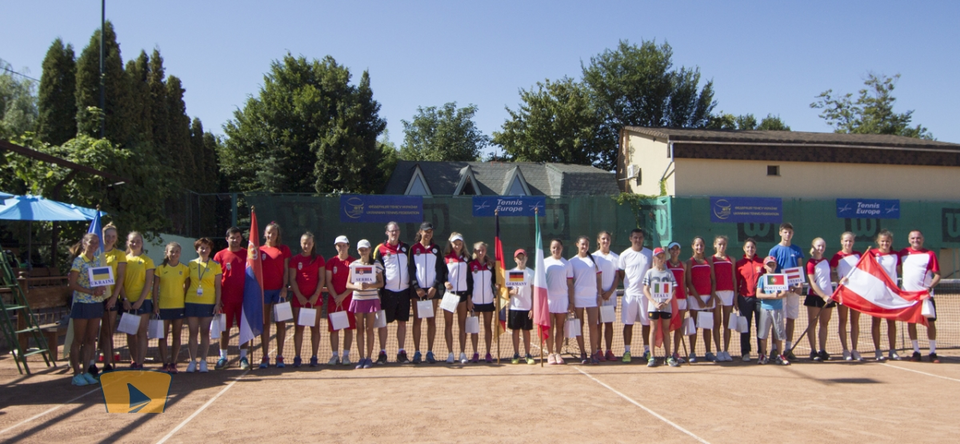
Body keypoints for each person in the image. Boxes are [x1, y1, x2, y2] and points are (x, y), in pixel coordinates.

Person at [67, 234, 105, 386]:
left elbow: (101, 281)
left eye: (97, 242)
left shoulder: (97, 261)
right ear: (84, 243)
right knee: (78, 340)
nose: (94, 245)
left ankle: (86, 372)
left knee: (90, 340)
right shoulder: (78, 261)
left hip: (96, 304)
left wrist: (101, 289)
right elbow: (72, 284)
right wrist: (90, 292)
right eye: (91, 242)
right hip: (82, 304)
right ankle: (76, 374)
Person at [373, 221, 412, 364]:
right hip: (387, 292)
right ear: (387, 232)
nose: (394, 233)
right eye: (391, 231)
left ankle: (401, 352)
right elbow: (376, 270)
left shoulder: (406, 248)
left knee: (402, 323)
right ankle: (382, 352)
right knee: (383, 323)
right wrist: (378, 291)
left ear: (399, 232)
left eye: (396, 230)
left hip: (404, 292)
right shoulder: (380, 249)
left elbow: (411, 267)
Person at [900, 229, 940, 363]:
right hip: (909, 297)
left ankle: (932, 352)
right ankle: (916, 351)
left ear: (922, 239)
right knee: (911, 324)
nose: (915, 240)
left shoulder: (930, 254)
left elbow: (938, 274)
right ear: (909, 240)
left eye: (918, 238)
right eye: (913, 238)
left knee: (930, 324)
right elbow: (898, 269)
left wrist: (930, 287)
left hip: (925, 296)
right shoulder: (903, 253)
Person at [184, 238, 222, 373]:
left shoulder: (216, 265)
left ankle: (204, 361)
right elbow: (186, 284)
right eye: (201, 248)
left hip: (208, 302)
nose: (204, 250)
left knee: (205, 332)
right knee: (192, 332)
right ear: (197, 249)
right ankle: (192, 361)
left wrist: (217, 303)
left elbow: (218, 286)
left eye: (207, 248)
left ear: (210, 250)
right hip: (191, 301)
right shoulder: (191, 264)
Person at [409, 222, 445, 364]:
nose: (428, 234)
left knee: (431, 320)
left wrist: (435, 286)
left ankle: (430, 352)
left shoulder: (436, 249)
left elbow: (440, 269)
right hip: (417, 292)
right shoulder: (413, 249)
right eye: (426, 231)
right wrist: (416, 287)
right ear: (420, 232)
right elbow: (411, 270)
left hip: (432, 291)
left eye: (430, 231)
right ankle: (417, 352)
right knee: (417, 320)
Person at [214, 227, 249, 370]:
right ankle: (223, 357)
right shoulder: (219, 255)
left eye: (238, 237)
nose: (235, 240)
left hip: (244, 299)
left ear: (241, 238)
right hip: (225, 299)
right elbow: (215, 279)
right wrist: (218, 299)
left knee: (244, 329)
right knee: (225, 329)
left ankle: (243, 357)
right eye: (232, 237)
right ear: (227, 239)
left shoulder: (247, 254)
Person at [767, 222, 804, 361]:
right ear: (780, 233)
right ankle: (774, 349)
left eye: (790, 232)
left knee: (791, 318)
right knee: (777, 319)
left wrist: (800, 285)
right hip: (780, 291)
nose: (787, 234)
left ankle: (788, 349)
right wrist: (780, 287)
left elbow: (799, 269)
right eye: (785, 232)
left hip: (794, 290)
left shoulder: (797, 250)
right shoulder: (774, 250)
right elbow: (771, 271)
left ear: (792, 234)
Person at [289, 232, 325, 367]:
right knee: (299, 328)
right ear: (301, 243)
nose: (306, 246)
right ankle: (297, 357)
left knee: (315, 328)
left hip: (315, 300)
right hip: (299, 300)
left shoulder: (319, 259)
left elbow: (322, 278)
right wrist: (299, 296)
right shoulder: (295, 260)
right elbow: (292, 279)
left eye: (309, 243)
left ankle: (314, 357)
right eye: (304, 243)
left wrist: (315, 295)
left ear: (313, 244)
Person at [348, 239, 384, 369]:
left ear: (370, 249)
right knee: (359, 329)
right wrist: (357, 286)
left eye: (365, 249)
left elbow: (381, 283)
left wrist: (370, 285)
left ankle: (369, 357)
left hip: (372, 299)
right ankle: (361, 357)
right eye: (361, 250)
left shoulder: (376, 264)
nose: (363, 252)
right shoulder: (353, 265)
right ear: (358, 251)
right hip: (358, 299)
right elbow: (348, 284)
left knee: (369, 329)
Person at [259, 222, 291, 369]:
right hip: (263, 292)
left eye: (274, 233)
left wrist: (284, 287)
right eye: (269, 232)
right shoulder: (259, 250)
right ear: (264, 234)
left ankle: (279, 356)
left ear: (278, 235)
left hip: (279, 291)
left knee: (281, 323)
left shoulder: (284, 249)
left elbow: (286, 270)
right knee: (265, 323)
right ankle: (265, 356)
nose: (271, 235)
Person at [94, 222, 125, 375]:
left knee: (107, 333)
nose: (110, 239)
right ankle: (90, 364)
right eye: (107, 236)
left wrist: (114, 297)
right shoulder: (95, 253)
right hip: (94, 297)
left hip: (110, 298)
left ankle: (107, 364)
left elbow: (120, 277)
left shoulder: (119, 254)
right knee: (91, 333)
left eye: (113, 236)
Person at [153, 242, 189, 373]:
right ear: (167, 253)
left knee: (177, 336)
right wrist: (155, 305)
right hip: (163, 307)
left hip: (179, 307)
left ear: (180, 253)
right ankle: (164, 363)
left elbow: (187, 287)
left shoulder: (185, 269)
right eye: (171, 251)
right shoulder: (160, 269)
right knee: (162, 336)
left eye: (177, 251)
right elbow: (155, 288)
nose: (174, 254)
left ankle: (173, 363)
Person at [618, 229, 653, 363]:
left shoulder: (649, 254)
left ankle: (647, 351)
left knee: (646, 324)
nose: (638, 240)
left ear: (643, 239)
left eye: (640, 237)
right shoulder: (624, 255)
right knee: (628, 324)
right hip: (630, 295)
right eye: (635, 237)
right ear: (630, 238)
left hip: (645, 296)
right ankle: (627, 351)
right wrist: (629, 285)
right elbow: (621, 273)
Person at [122, 231, 155, 369]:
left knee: (141, 332)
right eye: (132, 241)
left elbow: (148, 282)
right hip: (127, 302)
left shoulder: (147, 260)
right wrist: (124, 299)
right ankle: (134, 360)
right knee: (130, 332)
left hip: (143, 301)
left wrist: (140, 301)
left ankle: (140, 362)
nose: (135, 244)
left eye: (138, 241)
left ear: (142, 243)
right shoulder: (123, 260)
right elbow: (120, 282)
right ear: (127, 243)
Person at [867, 229, 899, 361]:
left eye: (887, 241)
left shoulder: (896, 255)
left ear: (891, 242)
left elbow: (899, 271)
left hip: (891, 295)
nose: (885, 243)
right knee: (876, 322)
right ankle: (878, 350)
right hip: (877, 294)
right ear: (878, 241)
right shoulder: (871, 254)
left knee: (891, 322)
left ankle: (892, 350)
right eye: (882, 241)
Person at [830, 232, 862, 361]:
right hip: (843, 293)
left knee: (855, 321)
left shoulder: (859, 255)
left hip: (856, 293)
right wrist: (838, 280)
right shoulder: (837, 256)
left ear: (853, 242)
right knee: (843, 321)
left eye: (850, 241)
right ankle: (845, 350)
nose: (848, 243)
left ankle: (855, 350)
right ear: (841, 242)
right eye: (846, 241)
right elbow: (831, 272)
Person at [643, 247, 678, 367]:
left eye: (662, 256)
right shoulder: (650, 273)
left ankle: (668, 356)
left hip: (666, 307)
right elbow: (645, 289)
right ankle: (652, 357)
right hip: (653, 307)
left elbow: (673, 289)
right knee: (653, 330)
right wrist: (654, 302)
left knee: (666, 330)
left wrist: (667, 302)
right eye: (658, 257)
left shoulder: (669, 273)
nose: (661, 259)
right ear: (654, 258)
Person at [570, 236, 602, 365]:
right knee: (579, 325)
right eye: (582, 244)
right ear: (577, 244)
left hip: (592, 297)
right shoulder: (571, 262)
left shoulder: (594, 260)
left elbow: (599, 278)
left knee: (593, 325)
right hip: (578, 298)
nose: (584, 247)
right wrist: (571, 300)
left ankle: (594, 353)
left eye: (586, 244)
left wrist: (599, 295)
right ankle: (582, 353)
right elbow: (570, 282)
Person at [325, 236, 356, 366]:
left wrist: (343, 296)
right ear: (335, 247)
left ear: (348, 246)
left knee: (348, 329)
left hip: (349, 300)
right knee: (334, 329)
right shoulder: (331, 262)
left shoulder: (353, 262)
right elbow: (328, 281)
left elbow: (355, 282)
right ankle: (335, 355)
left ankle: (346, 356)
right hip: (334, 300)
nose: (341, 248)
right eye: (339, 245)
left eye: (344, 245)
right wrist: (336, 296)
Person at [442, 233, 473, 364]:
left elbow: (470, 279)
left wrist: (469, 297)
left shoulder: (467, 258)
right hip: (449, 295)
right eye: (455, 243)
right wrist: (445, 282)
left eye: (459, 243)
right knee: (448, 324)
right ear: (451, 243)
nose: (457, 246)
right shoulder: (445, 258)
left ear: (462, 244)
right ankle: (450, 353)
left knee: (462, 325)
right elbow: (442, 275)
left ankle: (462, 353)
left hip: (463, 295)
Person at [804, 237, 835, 362]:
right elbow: (812, 282)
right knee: (813, 323)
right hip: (815, 297)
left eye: (823, 246)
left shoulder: (826, 261)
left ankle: (823, 350)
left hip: (829, 297)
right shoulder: (810, 263)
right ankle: (813, 351)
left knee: (824, 323)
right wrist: (823, 296)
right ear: (813, 247)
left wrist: (840, 279)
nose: (821, 248)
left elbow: (829, 277)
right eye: (818, 246)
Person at [686, 236, 716, 363]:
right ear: (693, 246)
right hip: (694, 298)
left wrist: (711, 297)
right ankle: (692, 352)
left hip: (708, 298)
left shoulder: (709, 261)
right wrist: (698, 299)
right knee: (694, 326)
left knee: (707, 326)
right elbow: (689, 282)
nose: (699, 247)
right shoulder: (689, 262)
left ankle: (708, 352)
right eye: (697, 245)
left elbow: (713, 280)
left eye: (701, 245)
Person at [592, 231, 621, 362]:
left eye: (608, 239)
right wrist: (600, 291)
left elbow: (617, 277)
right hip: (597, 296)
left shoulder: (615, 257)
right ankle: (598, 350)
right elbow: (593, 276)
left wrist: (609, 292)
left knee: (609, 324)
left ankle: (609, 350)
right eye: (603, 239)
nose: (605, 241)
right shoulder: (593, 257)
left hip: (610, 297)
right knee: (598, 324)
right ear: (598, 240)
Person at [756, 256, 790, 365]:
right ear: (765, 266)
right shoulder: (762, 279)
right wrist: (771, 296)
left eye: (773, 265)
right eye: (769, 265)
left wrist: (777, 296)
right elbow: (758, 294)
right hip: (765, 309)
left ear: (776, 266)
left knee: (779, 333)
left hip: (777, 309)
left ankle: (779, 355)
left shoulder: (780, 278)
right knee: (763, 334)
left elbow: (784, 293)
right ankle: (763, 355)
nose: (771, 267)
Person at [735, 238, 764, 362]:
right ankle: (745, 352)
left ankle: (761, 352)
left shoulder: (762, 263)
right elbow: (736, 282)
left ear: (755, 249)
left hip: (760, 299)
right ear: (744, 248)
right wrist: (736, 299)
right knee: (745, 326)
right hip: (744, 298)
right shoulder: (739, 264)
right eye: (748, 247)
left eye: (752, 247)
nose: (750, 249)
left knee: (760, 326)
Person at [544, 239, 572, 365]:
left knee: (560, 328)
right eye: (554, 247)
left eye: (558, 247)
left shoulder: (567, 264)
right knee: (549, 328)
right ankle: (550, 353)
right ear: (550, 249)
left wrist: (571, 302)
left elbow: (570, 284)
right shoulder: (544, 262)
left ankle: (558, 353)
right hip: (549, 300)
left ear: (562, 248)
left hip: (562, 299)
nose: (556, 250)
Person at [469, 241, 496, 363]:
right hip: (475, 302)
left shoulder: (490, 265)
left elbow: (495, 280)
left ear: (486, 251)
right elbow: (468, 284)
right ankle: (475, 353)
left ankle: (488, 353)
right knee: (474, 328)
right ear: (475, 251)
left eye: (483, 250)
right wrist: (469, 299)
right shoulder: (470, 265)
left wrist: (497, 285)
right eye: (478, 250)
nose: (481, 252)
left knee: (488, 327)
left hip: (488, 301)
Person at [710, 235, 736, 362]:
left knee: (727, 323)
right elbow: (711, 279)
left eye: (724, 244)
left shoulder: (732, 259)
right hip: (717, 293)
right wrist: (713, 294)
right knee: (717, 323)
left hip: (729, 293)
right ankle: (718, 351)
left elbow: (733, 278)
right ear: (715, 245)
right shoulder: (711, 259)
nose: (722, 246)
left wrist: (735, 296)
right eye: (719, 244)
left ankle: (726, 350)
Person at [507, 249, 535, 365]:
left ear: (526, 258)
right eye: (519, 258)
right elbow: (507, 291)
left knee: (526, 331)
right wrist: (512, 292)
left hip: (527, 308)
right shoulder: (511, 273)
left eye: (523, 257)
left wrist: (532, 308)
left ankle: (528, 354)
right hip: (514, 307)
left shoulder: (531, 273)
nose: (521, 260)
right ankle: (516, 354)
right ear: (515, 260)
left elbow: (534, 292)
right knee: (515, 331)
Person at [666, 242, 689, 363]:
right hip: (669, 300)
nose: (675, 251)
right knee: (667, 327)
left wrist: (687, 299)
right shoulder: (665, 265)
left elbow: (684, 282)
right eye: (672, 249)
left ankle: (676, 352)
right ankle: (667, 354)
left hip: (682, 299)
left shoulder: (683, 265)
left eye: (677, 249)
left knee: (678, 327)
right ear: (669, 251)